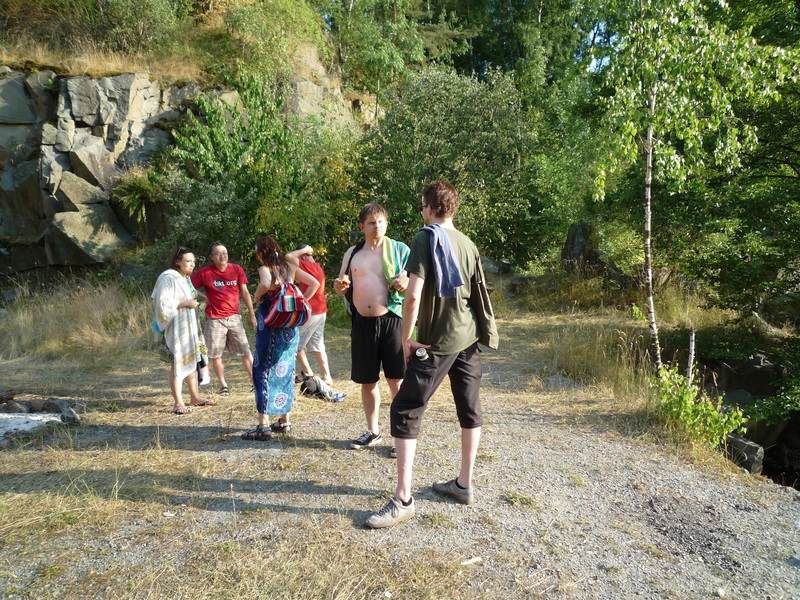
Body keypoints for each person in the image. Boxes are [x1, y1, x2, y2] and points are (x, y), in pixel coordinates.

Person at [365, 181, 499, 528]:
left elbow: (413, 295)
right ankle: (464, 485)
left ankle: (403, 500)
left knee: (405, 408)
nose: (421, 211)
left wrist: (407, 339)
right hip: (468, 337)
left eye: (422, 206)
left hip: (438, 340)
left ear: (430, 208)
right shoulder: (467, 243)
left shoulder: (425, 238)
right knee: (470, 409)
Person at [333, 203, 409, 452]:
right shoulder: (352, 253)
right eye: (371, 223)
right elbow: (341, 282)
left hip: (391, 320)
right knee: (367, 381)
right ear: (362, 227)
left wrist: (406, 279)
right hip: (362, 323)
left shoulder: (399, 249)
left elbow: (417, 278)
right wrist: (339, 287)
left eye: (381, 222)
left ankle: (401, 436)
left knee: (396, 381)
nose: (377, 226)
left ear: (386, 223)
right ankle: (373, 431)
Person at [242, 236, 320, 440]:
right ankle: (285, 421)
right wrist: (299, 301)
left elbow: (265, 283)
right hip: (290, 329)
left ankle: (263, 426)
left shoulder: (265, 269)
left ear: (261, 253)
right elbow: (314, 283)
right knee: (286, 370)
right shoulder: (290, 268)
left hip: (270, 328)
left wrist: (257, 296)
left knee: (262, 371)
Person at [152, 247, 218, 414]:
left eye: (193, 261)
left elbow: (191, 293)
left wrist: (202, 297)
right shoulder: (168, 277)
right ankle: (178, 402)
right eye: (188, 261)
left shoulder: (185, 278)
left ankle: (195, 397)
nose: (192, 264)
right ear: (177, 262)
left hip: (190, 325)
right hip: (176, 327)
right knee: (178, 361)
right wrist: (186, 304)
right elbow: (162, 302)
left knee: (193, 359)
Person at [190, 242, 257, 397]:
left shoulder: (236, 269)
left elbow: (245, 292)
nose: (222, 256)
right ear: (211, 257)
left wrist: (252, 314)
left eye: (225, 252)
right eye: (218, 253)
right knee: (216, 355)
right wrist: (203, 297)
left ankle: (255, 383)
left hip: (234, 317)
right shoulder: (205, 272)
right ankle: (224, 386)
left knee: (246, 351)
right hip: (214, 319)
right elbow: (187, 284)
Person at [286, 244, 332, 385]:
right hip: (320, 311)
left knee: (295, 343)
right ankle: (327, 377)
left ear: (304, 256)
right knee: (318, 345)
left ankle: (307, 372)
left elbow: (288, 256)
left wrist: (302, 301)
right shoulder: (316, 267)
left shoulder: (309, 266)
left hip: (313, 312)